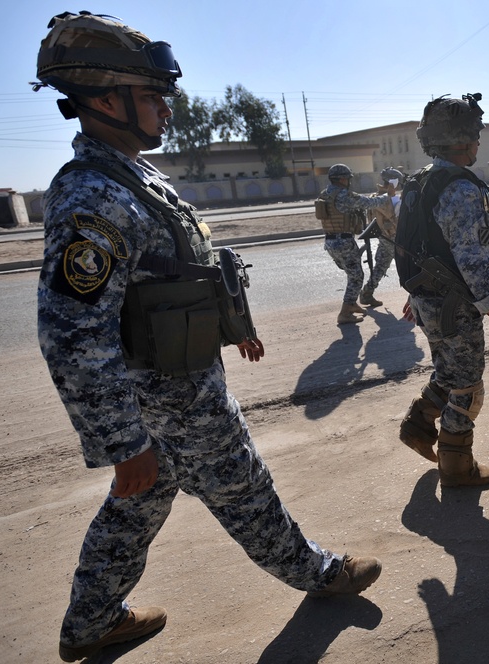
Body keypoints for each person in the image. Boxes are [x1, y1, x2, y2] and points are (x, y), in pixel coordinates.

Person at [32, 12, 381, 661]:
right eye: (152, 95)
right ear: (105, 100)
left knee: (138, 506)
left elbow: (185, 272)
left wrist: (233, 329)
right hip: (172, 398)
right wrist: (122, 440)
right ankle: (317, 572)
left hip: (175, 382)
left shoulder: (137, 179)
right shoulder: (95, 198)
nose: (167, 108)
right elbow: (73, 331)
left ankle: (91, 620)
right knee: (241, 483)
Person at [395, 93, 489, 488]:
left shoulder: (419, 181)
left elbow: (413, 245)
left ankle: (418, 425)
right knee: (468, 385)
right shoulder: (461, 189)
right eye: (476, 136)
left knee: (448, 369)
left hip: (426, 299)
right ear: (462, 140)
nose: (479, 143)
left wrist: (415, 296)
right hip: (454, 304)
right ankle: (456, 466)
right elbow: (474, 262)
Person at [315, 163, 394, 323]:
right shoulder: (343, 195)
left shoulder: (326, 194)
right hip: (343, 242)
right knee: (357, 276)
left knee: (353, 275)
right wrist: (388, 196)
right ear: (343, 179)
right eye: (348, 178)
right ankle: (345, 313)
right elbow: (367, 203)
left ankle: (351, 304)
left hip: (331, 241)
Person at [359, 167, 404, 307]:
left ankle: (367, 293)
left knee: (381, 266)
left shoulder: (374, 197)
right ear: (393, 182)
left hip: (383, 238)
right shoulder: (391, 199)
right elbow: (397, 218)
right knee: (410, 267)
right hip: (395, 238)